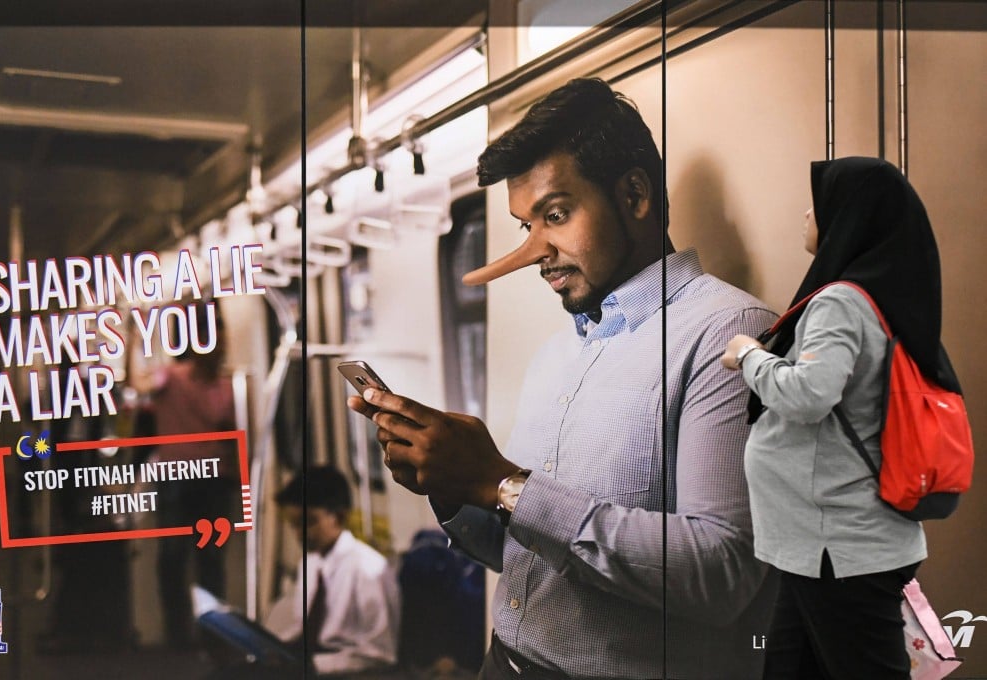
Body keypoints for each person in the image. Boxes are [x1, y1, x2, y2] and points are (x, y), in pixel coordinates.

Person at [349, 77, 778, 679]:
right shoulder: (558, 356)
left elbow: (721, 574)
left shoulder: (729, 333)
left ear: (634, 195)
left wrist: (502, 482)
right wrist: (453, 487)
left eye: (556, 215)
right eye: (526, 226)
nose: (535, 251)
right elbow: (532, 550)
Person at [720, 157, 959, 679]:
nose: (807, 211)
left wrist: (749, 355)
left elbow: (808, 396)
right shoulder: (883, 296)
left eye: (819, 202)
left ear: (848, 215)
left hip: (839, 548)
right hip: (827, 547)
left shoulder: (841, 301)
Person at [150, 300, 239, 647]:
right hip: (175, 477)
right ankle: (177, 632)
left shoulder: (227, 386)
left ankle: (213, 633)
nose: (219, 342)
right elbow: (139, 381)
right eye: (212, 333)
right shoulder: (170, 378)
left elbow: (232, 436)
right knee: (172, 556)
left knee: (211, 559)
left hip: (215, 481)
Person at [265, 465, 400, 677]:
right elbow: (307, 629)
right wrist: (275, 646)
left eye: (308, 522)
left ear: (338, 516)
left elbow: (379, 654)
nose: (299, 534)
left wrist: (314, 665)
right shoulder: (310, 562)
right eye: (294, 525)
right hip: (314, 660)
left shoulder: (368, 569)